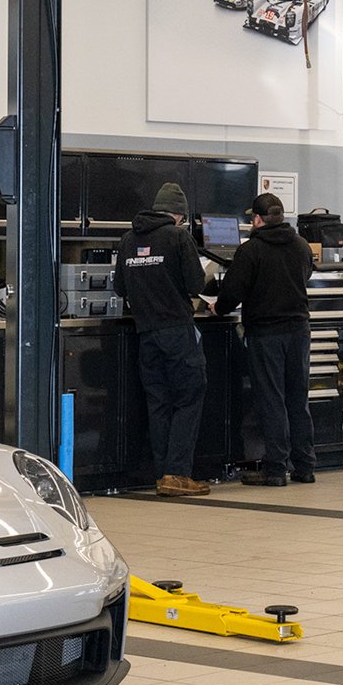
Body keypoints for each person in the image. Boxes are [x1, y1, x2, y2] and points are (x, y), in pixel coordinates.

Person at [212, 192, 316, 486]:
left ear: (256, 219)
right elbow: (305, 276)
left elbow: (232, 292)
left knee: (272, 400)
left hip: (266, 333)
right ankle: (305, 467)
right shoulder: (300, 245)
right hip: (298, 331)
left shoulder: (250, 251)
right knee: (298, 398)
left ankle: (275, 470)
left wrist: (217, 307)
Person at [116, 182, 210, 497]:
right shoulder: (178, 236)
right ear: (179, 215)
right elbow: (196, 282)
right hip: (178, 331)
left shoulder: (128, 239)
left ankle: (162, 475)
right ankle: (178, 474)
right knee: (188, 398)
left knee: (158, 404)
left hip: (146, 334)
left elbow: (119, 288)